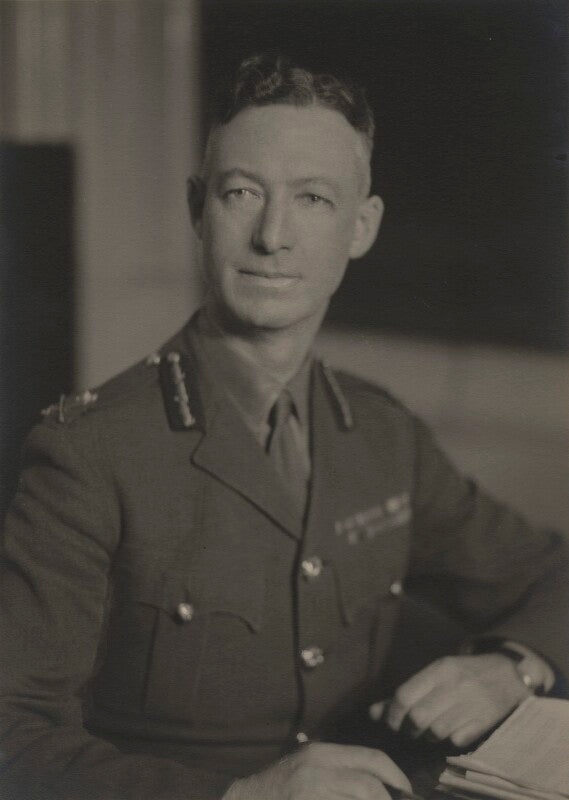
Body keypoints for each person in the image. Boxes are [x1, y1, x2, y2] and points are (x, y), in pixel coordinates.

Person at [0, 54, 567, 800]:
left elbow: (550, 572)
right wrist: (242, 797)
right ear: (198, 209)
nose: (273, 235)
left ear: (361, 227)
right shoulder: (90, 453)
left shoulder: (382, 435)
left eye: (313, 199)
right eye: (242, 193)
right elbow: (12, 740)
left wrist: (512, 666)